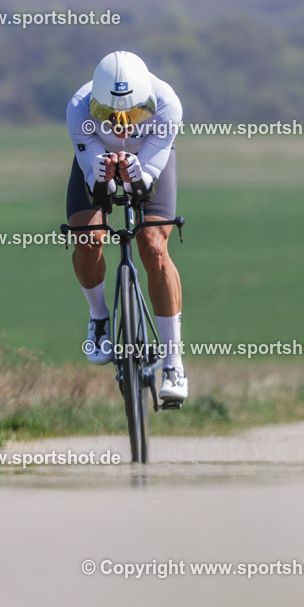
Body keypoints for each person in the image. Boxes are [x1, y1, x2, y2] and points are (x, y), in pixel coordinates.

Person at [65, 50, 187, 402]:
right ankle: (99, 317)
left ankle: (173, 363)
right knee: (87, 241)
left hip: (149, 159)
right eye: (107, 115)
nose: (120, 124)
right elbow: (93, 178)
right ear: (94, 105)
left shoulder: (166, 105)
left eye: (133, 114)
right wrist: (102, 174)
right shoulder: (78, 107)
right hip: (97, 161)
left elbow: (148, 177)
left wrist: (138, 176)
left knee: (153, 246)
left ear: (148, 100)